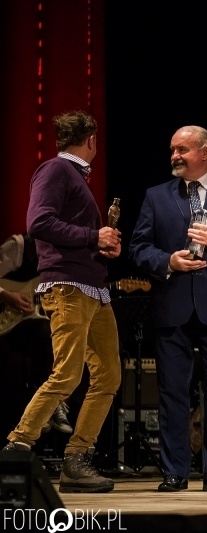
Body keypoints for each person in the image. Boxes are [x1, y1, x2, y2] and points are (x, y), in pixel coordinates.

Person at [129, 125, 207, 492]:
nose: (175, 156)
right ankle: (175, 473)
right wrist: (168, 261)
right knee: (173, 393)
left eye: (182, 149)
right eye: (172, 150)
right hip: (173, 306)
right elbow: (138, 248)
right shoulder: (156, 196)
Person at [3, 110, 122, 494]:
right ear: (91, 141)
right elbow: (38, 222)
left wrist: (101, 246)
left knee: (108, 375)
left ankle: (76, 459)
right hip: (68, 286)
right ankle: (16, 447)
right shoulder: (55, 170)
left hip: (92, 287)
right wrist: (93, 236)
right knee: (68, 374)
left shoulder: (71, 176)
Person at [0, 234, 73, 436]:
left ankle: (47, 403)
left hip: (31, 321)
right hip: (6, 321)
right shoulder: (17, 247)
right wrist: (6, 295)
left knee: (55, 332)